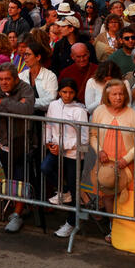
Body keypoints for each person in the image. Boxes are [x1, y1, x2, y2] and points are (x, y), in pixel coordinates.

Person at [90, 79, 135, 242]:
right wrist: (99, 151)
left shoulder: (133, 115)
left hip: (128, 164)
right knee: (108, 196)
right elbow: (93, 135)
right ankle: (114, 228)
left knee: (129, 197)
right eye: (114, 94)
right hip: (105, 162)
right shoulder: (99, 112)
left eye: (121, 94)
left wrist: (126, 158)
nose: (118, 97)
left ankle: (130, 231)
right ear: (107, 96)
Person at [0, 62, 35, 233]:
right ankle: (17, 208)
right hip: (5, 141)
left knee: (20, 178)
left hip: (23, 140)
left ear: (16, 79)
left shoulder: (26, 88)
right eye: (1, 79)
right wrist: (14, 104)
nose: (4, 82)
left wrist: (4, 102)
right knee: (10, 177)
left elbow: (27, 109)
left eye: (8, 79)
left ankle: (18, 213)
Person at [43, 78, 89, 238]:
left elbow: (84, 138)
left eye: (70, 92)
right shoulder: (53, 105)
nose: (67, 95)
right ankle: (64, 191)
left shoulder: (80, 111)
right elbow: (48, 125)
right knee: (45, 168)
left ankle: (71, 222)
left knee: (74, 185)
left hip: (74, 154)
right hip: (55, 149)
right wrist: (49, 142)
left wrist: (64, 145)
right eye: (64, 92)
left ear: (75, 93)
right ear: (59, 92)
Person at [19, 40, 58, 113]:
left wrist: (29, 102)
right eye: (25, 54)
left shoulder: (50, 76)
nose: (25, 57)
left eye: (28, 54)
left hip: (44, 117)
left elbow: (51, 100)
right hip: (25, 118)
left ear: (38, 57)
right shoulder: (21, 76)